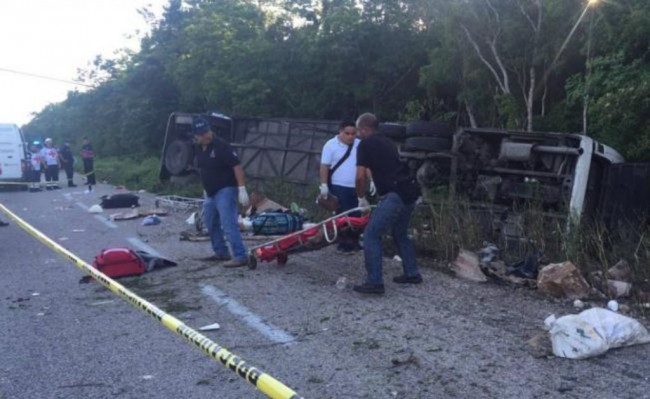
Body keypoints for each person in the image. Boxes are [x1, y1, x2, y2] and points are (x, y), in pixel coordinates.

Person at [353, 113, 423, 294]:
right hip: (410, 191)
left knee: (371, 234)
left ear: (364, 129)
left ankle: (375, 282)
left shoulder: (365, 144)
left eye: (359, 130)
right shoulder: (389, 142)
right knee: (399, 233)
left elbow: (360, 176)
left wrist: (361, 197)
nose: (358, 135)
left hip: (394, 194)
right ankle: (412, 273)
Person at [193, 117, 251, 268]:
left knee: (228, 223)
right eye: (201, 134)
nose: (205, 136)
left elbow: (236, 166)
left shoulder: (222, 146)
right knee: (210, 222)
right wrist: (205, 188)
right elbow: (203, 169)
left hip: (225, 189)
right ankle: (221, 252)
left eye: (206, 132)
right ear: (196, 135)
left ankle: (240, 255)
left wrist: (242, 188)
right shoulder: (199, 148)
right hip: (210, 192)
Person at [319, 120, 367, 252]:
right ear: (340, 132)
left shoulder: (359, 145)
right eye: (347, 133)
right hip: (339, 185)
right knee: (343, 215)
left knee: (357, 214)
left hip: (356, 186)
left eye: (353, 133)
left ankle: (354, 241)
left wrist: (371, 180)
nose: (350, 136)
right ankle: (344, 242)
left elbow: (366, 164)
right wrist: (324, 185)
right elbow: (324, 166)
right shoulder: (330, 145)